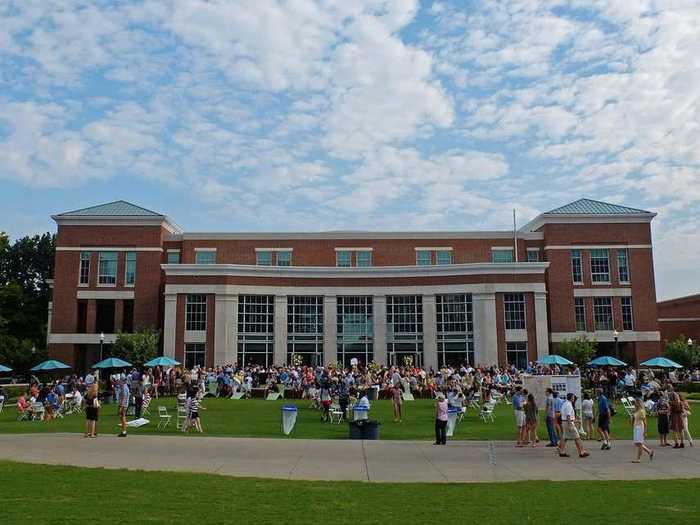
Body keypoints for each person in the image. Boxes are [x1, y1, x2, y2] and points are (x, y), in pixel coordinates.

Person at [559, 393, 589, 458]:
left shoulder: (564, 404)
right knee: (577, 437)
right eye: (573, 397)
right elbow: (568, 416)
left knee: (565, 438)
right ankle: (581, 452)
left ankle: (562, 451)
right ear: (571, 398)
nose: (574, 398)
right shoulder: (569, 405)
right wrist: (570, 425)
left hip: (564, 422)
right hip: (568, 423)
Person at [631, 398, 654, 463]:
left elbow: (645, 422)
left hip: (640, 427)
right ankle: (649, 451)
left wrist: (645, 431)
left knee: (640, 443)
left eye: (635, 402)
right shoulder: (636, 411)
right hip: (636, 427)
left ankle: (638, 459)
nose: (634, 404)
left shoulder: (641, 411)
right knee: (637, 443)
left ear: (638, 403)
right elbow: (633, 419)